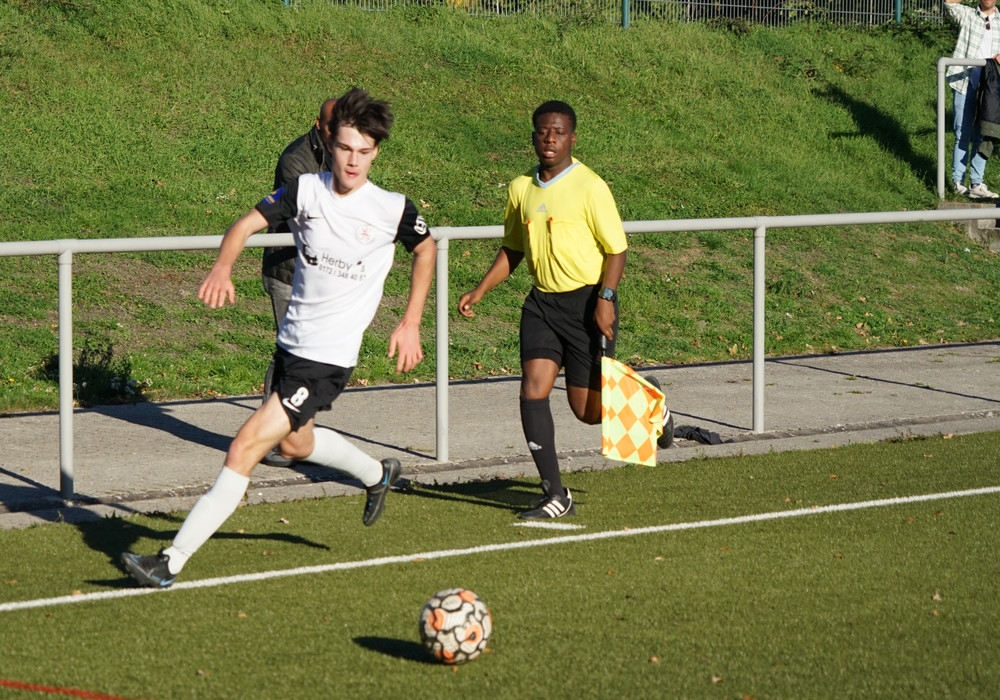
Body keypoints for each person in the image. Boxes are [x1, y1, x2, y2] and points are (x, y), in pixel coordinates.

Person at [121, 88, 435, 587]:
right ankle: (379, 475)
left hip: (327, 359)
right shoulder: (305, 189)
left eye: (364, 151)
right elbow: (245, 224)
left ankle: (169, 561)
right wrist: (223, 267)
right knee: (295, 444)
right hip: (292, 346)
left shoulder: (391, 208)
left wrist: (411, 320)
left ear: (376, 152)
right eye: (345, 148)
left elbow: (426, 248)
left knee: (244, 447)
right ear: (329, 142)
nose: (353, 161)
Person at [457, 100, 672, 521]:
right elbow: (513, 248)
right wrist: (480, 289)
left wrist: (606, 299)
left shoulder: (591, 186)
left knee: (587, 412)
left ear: (573, 138)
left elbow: (617, 250)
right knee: (532, 390)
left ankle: (650, 403)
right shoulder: (521, 188)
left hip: (587, 303)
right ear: (533, 137)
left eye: (558, 132)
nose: (550, 139)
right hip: (541, 304)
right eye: (542, 132)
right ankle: (556, 495)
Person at [259, 97, 338, 468]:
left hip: (321, 273)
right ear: (319, 124)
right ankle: (270, 439)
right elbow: (309, 215)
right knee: (291, 355)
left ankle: (295, 437)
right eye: (334, 125)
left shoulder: (342, 155)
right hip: (288, 271)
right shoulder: (295, 160)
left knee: (310, 356)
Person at [945, 0, 1000, 199]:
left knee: (984, 131)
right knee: (962, 131)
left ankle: (977, 182)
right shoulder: (968, 14)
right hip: (964, 80)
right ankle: (958, 182)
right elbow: (949, 3)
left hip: (990, 85)